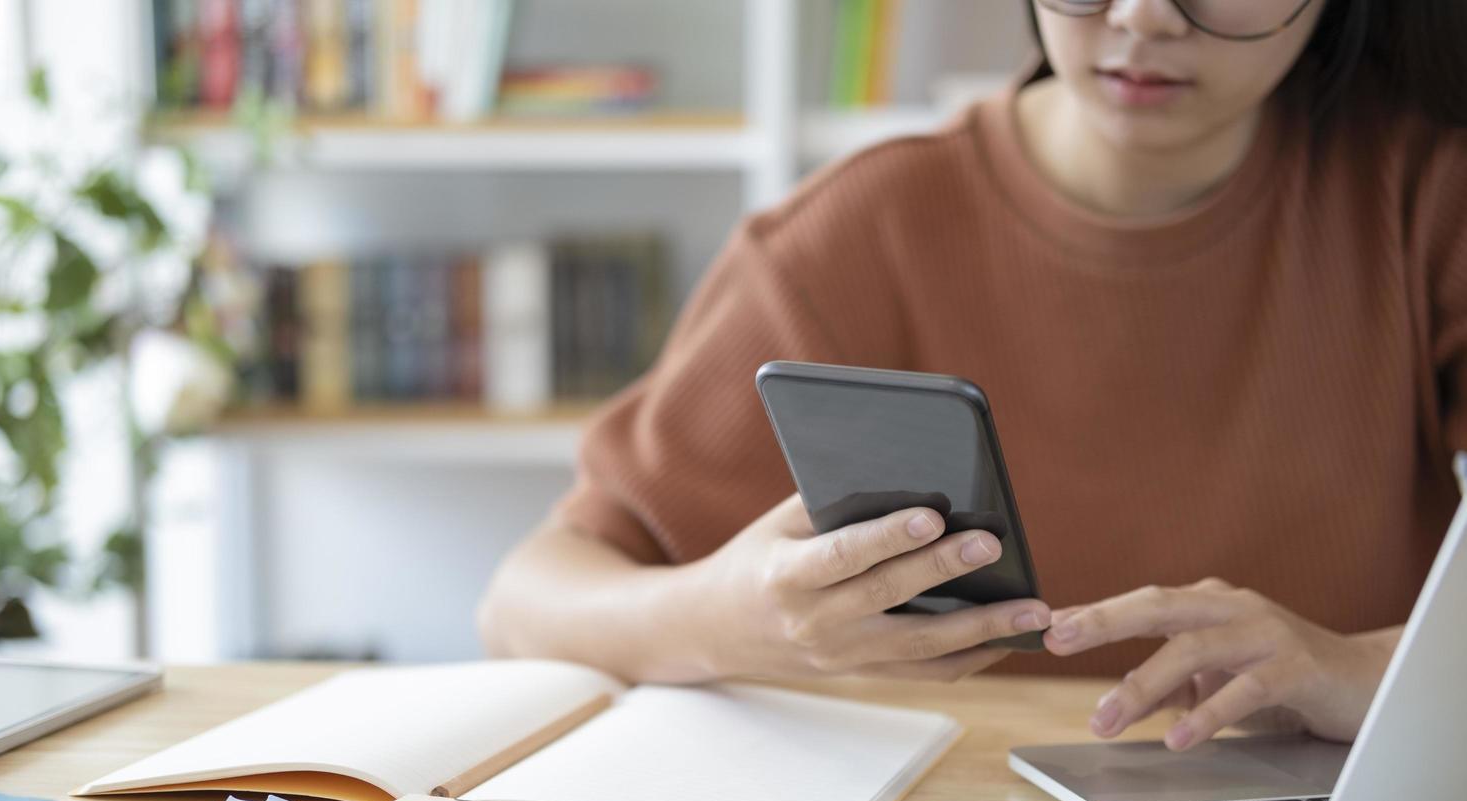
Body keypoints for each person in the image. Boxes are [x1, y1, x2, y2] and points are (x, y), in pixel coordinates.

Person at [479, 0, 1467, 753]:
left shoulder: (1426, 206)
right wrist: (733, 619)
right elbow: (524, 599)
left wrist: (1362, 669)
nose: (1143, 18)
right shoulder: (858, 234)